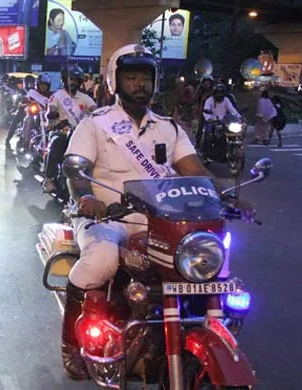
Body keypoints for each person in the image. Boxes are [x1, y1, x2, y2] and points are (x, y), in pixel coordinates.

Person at [59, 43, 253, 380]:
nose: (140, 84)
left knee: (209, 258)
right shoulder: (95, 124)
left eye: (145, 77)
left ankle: (199, 324)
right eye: (131, 77)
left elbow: (197, 171)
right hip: (109, 217)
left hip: (160, 219)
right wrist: (87, 198)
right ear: (115, 81)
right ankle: (71, 346)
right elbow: (77, 170)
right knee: (101, 260)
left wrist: (229, 195)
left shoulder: (169, 128)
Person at [42, 65, 96, 193]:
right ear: (65, 79)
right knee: (56, 144)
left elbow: (96, 111)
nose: (73, 82)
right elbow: (52, 110)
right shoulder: (57, 95)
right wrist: (53, 118)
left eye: (76, 80)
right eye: (70, 79)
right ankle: (49, 179)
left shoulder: (84, 98)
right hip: (61, 130)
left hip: (80, 133)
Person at [5, 75, 36, 146]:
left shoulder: (35, 91)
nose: (30, 84)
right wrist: (22, 102)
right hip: (23, 110)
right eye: (29, 82)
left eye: (32, 82)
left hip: (34, 111)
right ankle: (8, 138)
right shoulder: (22, 91)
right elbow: (18, 101)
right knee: (15, 122)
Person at [194, 76, 214, 146]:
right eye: (205, 83)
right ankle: (197, 144)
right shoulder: (200, 91)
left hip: (212, 113)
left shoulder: (213, 92)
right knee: (199, 128)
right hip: (202, 112)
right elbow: (195, 98)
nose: (207, 85)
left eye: (209, 83)